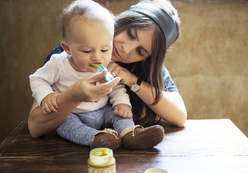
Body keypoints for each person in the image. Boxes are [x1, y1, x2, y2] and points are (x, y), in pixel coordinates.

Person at [28, 0, 187, 148]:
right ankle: (97, 137)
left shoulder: (142, 66)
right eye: (131, 34)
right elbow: (35, 127)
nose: (127, 48)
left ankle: (130, 135)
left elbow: (179, 116)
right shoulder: (69, 56)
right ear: (122, 20)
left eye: (140, 51)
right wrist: (74, 95)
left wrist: (131, 80)